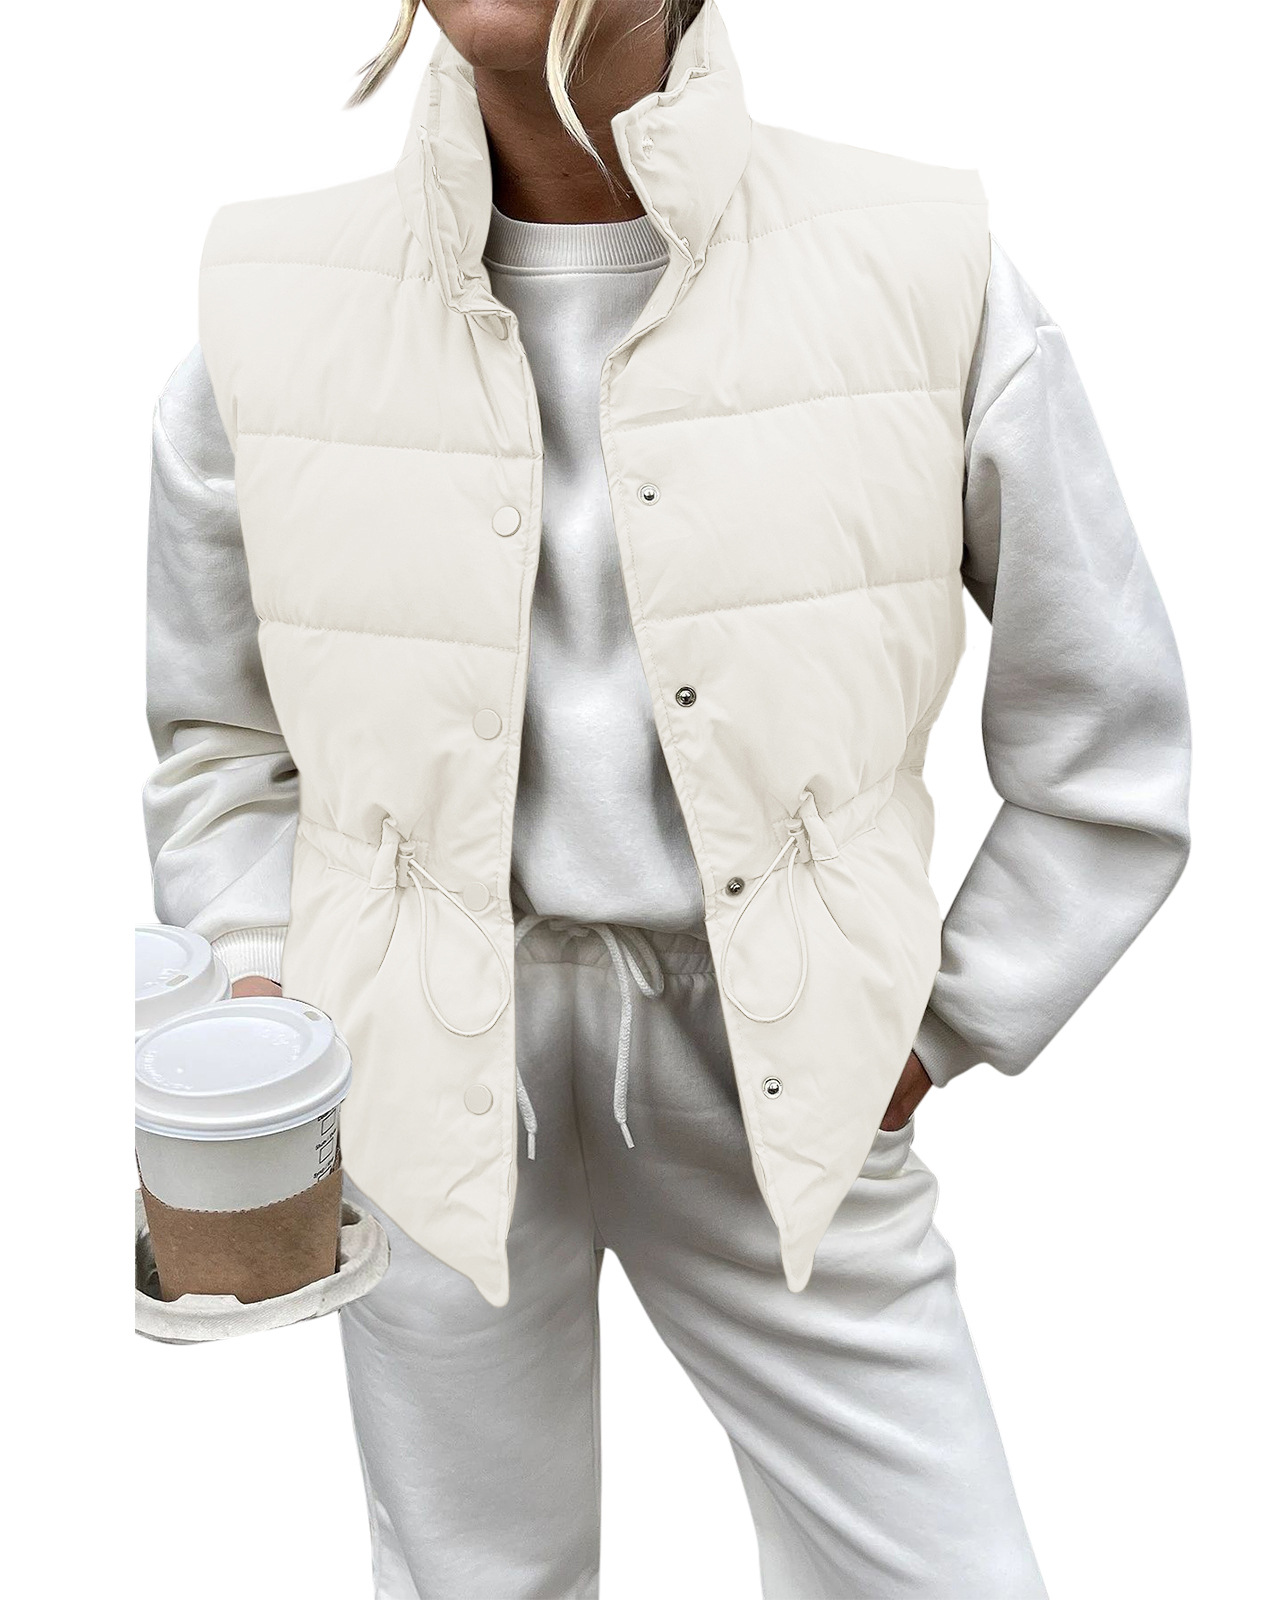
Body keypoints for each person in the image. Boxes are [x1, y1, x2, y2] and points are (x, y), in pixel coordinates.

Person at [143, 2, 1191, 1594]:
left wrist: (936, 1026)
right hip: (417, 1059)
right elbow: (217, 737)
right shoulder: (270, 293)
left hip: (781, 1054)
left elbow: (1107, 735)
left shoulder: (919, 260)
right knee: (474, 1578)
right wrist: (275, 1003)